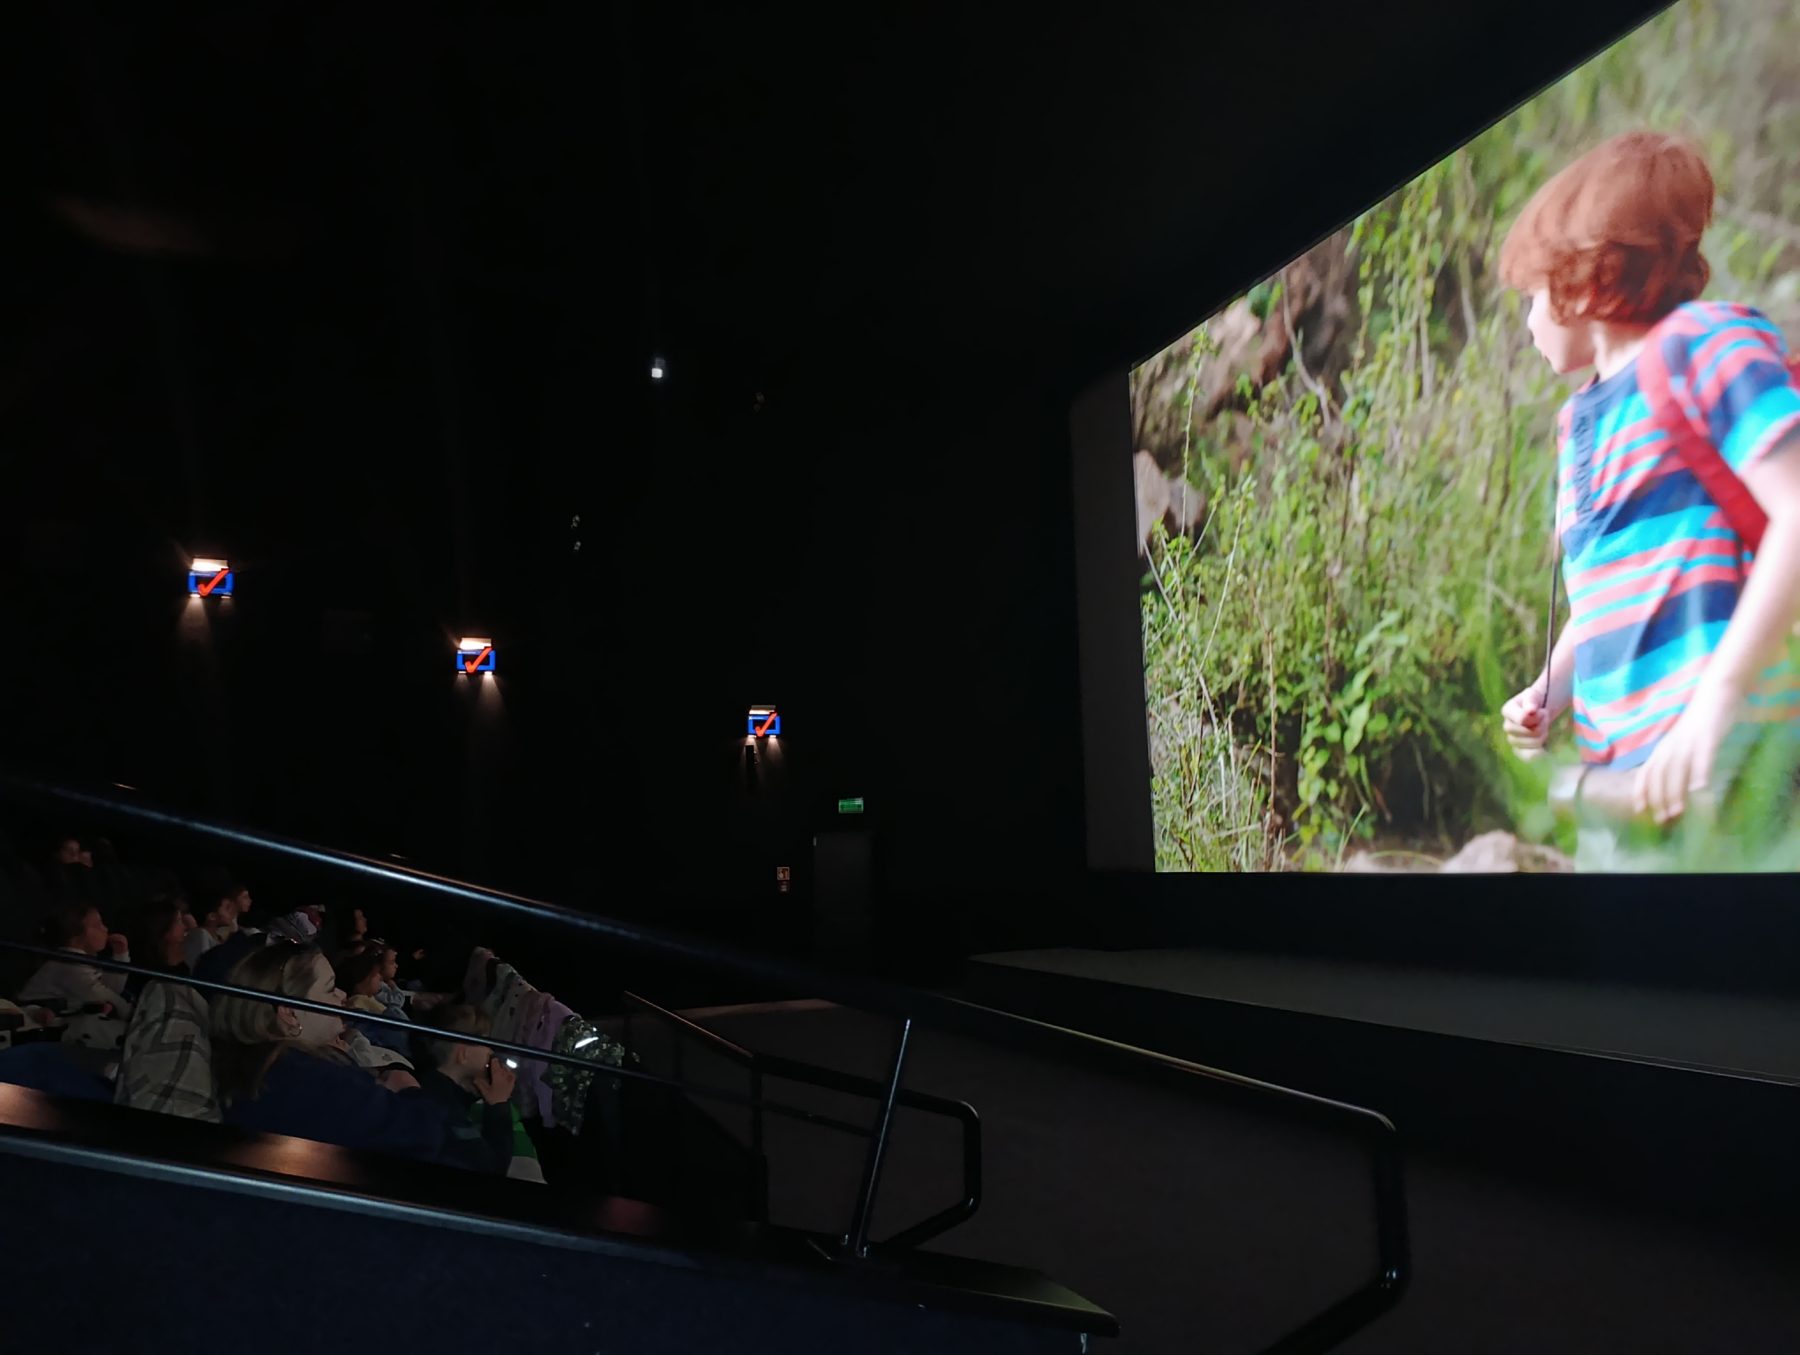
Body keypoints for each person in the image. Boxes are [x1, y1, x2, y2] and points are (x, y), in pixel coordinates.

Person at [1497, 130, 1800, 869]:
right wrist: (1549, 688)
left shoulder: (1705, 346)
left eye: (1534, 296)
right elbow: (1613, 588)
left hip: (1730, 766)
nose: (1528, 321)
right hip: (1627, 791)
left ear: (1585, 280)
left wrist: (1717, 699)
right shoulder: (1579, 424)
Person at [210, 943, 509, 1172]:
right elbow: (426, 1134)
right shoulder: (309, 1082)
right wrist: (407, 1088)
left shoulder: (260, 1067)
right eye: (330, 988)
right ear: (289, 1012)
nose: (342, 995)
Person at [116, 896, 218, 1122]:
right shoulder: (153, 979)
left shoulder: (185, 968)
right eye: (179, 922)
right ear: (165, 932)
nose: (185, 927)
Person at [414, 1004, 537, 1180]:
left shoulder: (435, 1086)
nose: (490, 1051)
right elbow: (492, 1167)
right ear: (463, 1054)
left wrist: (476, 1091)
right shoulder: (443, 1104)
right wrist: (498, 1104)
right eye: (485, 1043)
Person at [17, 898, 133, 1020]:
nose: (105, 929)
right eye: (97, 925)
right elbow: (103, 995)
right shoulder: (67, 965)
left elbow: (111, 990)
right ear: (75, 936)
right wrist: (133, 1015)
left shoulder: (83, 961)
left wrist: (120, 955)